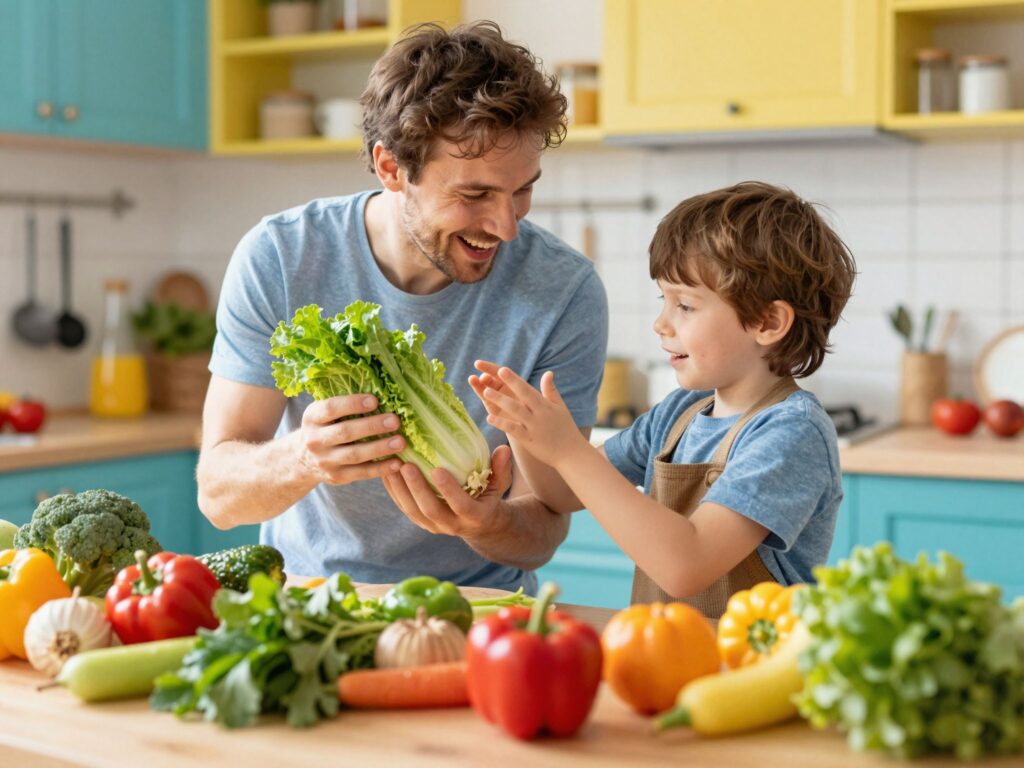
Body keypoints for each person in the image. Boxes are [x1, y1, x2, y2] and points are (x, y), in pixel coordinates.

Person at [197, 21, 608, 593]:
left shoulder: (563, 290)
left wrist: (488, 525)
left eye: (523, 190)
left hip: (477, 607)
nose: (507, 226)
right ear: (392, 167)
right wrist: (305, 458)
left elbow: (544, 530)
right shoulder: (283, 257)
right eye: (475, 195)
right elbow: (217, 495)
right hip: (311, 599)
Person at [471, 182, 856, 617]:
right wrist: (522, 427)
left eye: (685, 306)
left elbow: (687, 565)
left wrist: (567, 449)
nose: (661, 324)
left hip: (749, 672)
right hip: (663, 659)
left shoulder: (790, 432)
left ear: (767, 321)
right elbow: (563, 494)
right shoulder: (679, 414)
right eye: (664, 300)